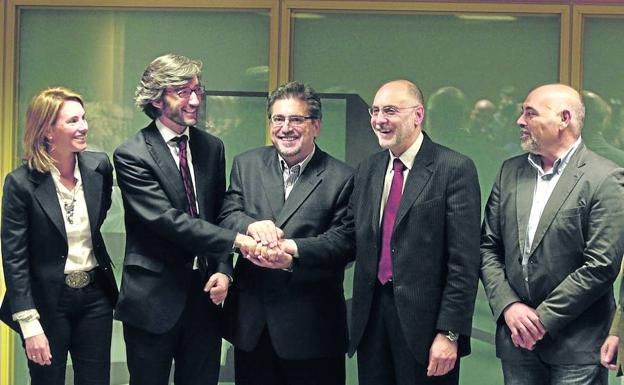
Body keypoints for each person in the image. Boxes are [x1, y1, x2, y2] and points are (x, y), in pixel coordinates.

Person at [113, 54, 255, 385]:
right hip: (153, 298)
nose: (194, 100)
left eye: (197, 90)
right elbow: (166, 220)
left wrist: (223, 268)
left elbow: (218, 213)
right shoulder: (132, 154)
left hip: (205, 296)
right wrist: (236, 242)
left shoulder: (211, 147)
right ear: (156, 99)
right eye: (182, 91)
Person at [480, 83, 624, 385]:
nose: (520, 121)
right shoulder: (509, 172)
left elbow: (601, 266)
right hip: (516, 340)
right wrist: (509, 306)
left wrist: (541, 320)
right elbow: (488, 248)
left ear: (564, 119)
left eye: (530, 113)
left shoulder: (605, 178)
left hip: (577, 346)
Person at [217, 81, 354, 385]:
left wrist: (291, 251)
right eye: (278, 119)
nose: (285, 128)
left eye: (296, 119)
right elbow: (226, 216)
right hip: (253, 327)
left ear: (316, 125)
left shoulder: (341, 177)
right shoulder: (246, 164)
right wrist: (251, 226)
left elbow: (344, 242)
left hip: (313, 331)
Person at [348, 79, 481, 385]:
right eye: (376, 111)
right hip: (371, 323)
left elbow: (463, 262)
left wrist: (450, 333)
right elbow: (350, 237)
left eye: (391, 111)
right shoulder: (368, 169)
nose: (380, 120)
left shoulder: (454, 168)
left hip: (428, 329)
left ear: (418, 115)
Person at [0, 87, 118, 385]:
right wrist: (29, 325)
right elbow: (15, 258)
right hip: (46, 301)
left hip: (95, 296)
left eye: (84, 118)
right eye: (73, 121)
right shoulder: (20, 183)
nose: (84, 126)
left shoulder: (99, 166)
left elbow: (99, 215)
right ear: (48, 131)